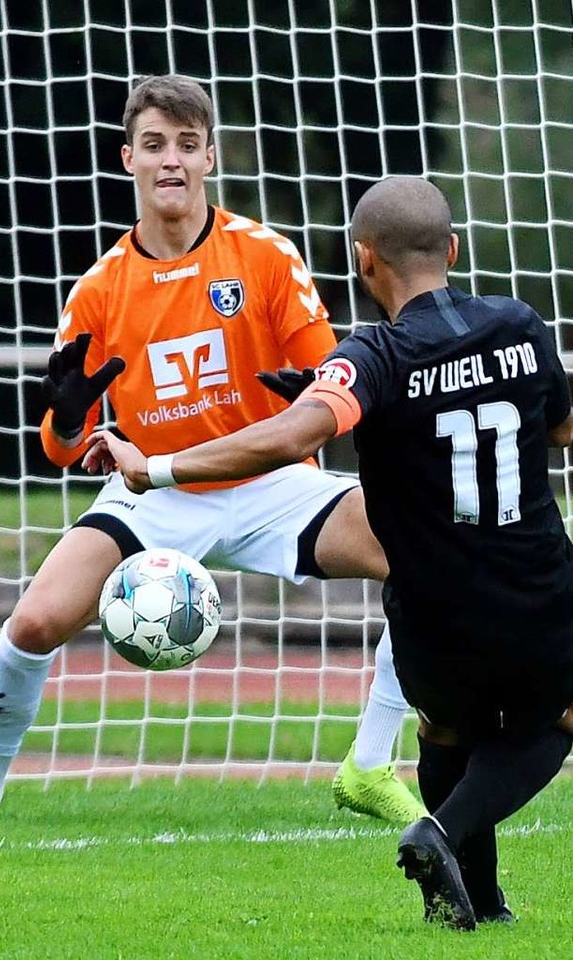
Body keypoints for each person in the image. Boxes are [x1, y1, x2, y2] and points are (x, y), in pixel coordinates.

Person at [0, 75, 425, 828]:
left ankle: (369, 763)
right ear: (127, 158)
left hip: (273, 483)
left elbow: (332, 383)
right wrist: (68, 421)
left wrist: (311, 387)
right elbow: (63, 449)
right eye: (156, 145)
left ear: (210, 159)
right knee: (32, 624)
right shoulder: (99, 289)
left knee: (423, 557)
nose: (172, 161)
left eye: (187, 146)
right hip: (152, 492)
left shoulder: (264, 256)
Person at [84, 176, 573, 931]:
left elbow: (295, 436)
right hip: (537, 592)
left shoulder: (372, 356)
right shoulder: (519, 323)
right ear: (452, 248)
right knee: (556, 717)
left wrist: (155, 467)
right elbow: (561, 430)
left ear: (363, 260)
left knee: (446, 730)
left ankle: (476, 906)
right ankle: (437, 832)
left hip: (429, 615)